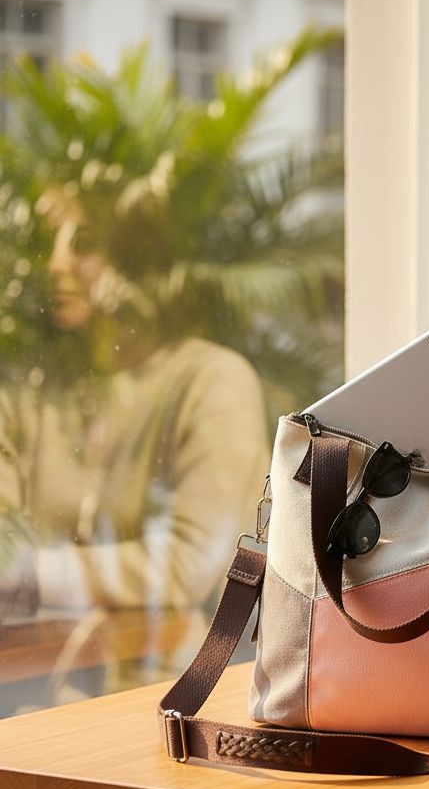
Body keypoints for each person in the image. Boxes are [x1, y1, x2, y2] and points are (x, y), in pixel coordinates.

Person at [0, 188, 270, 619]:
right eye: (50, 244)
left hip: (179, 676)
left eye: (83, 243)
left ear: (137, 257)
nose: (55, 265)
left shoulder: (211, 379)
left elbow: (193, 563)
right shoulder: (40, 390)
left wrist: (32, 574)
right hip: (40, 672)